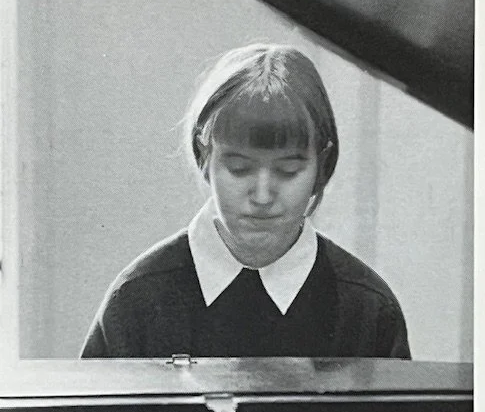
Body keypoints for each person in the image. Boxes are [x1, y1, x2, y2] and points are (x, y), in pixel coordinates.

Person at [81, 44, 410, 359]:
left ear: (322, 165)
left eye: (288, 171)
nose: (263, 196)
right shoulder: (135, 300)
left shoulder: (369, 309)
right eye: (239, 169)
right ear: (204, 156)